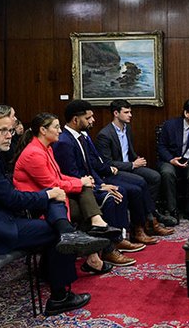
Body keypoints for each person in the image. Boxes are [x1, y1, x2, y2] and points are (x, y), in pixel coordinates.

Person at [0, 109, 110, 316]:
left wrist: (49, 195)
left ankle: (67, 231)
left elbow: (8, 194)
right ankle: (60, 295)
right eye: (3, 130)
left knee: (53, 199)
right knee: (55, 227)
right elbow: (11, 199)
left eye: (10, 130)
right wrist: (48, 195)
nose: (9, 135)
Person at [13, 112, 122, 275]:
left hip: (55, 199)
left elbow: (58, 176)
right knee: (86, 200)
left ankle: (96, 237)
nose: (59, 131)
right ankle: (97, 230)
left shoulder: (45, 148)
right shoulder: (34, 153)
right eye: (56, 127)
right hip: (42, 204)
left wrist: (82, 180)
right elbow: (52, 184)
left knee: (85, 192)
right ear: (43, 130)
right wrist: (80, 182)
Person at [53, 100, 156, 268]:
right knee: (111, 198)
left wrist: (101, 184)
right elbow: (73, 174)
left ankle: (119, 239)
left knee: (118, 191)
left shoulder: (80, 137)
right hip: (76, 189)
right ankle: (109, 250)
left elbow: (90, 167)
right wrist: (99, 187)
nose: (92, 120)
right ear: (75, 120)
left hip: (89, 183)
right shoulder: (65, 141)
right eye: (88, 117)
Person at [96, 99, 177, 227]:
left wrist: (137, 160)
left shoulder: (127, 128)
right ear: (116, 113)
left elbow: (129, 152)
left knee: (155, 177)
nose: (130, 115)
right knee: (140, 181)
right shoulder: (105, 135)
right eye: (126, 112)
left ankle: (149, 212)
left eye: (130, 112)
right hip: (116, 171)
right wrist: (133, 165)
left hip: (130, 165)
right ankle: (151, 217)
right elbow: (107, 163)